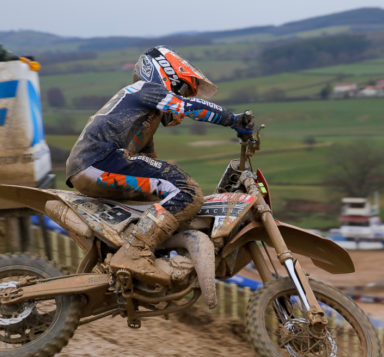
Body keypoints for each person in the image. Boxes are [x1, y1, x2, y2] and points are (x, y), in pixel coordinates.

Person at [66, 45, 254, 286]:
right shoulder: (145, 89)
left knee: (170, 190)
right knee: (187, 191)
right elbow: (187, 107)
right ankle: (135, 253)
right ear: (166, 76)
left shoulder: (145, 118)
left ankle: (141, 261)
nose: (187, 96)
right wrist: (233, 120)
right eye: (185, 89)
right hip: (98, 160)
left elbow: (150, 162)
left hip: (95, 164)